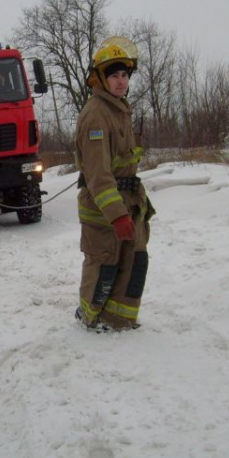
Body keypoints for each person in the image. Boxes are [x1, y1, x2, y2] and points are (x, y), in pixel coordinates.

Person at [74, 37, 155, 332]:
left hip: (129, 201)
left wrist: (128, 210)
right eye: (114, 76)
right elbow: (98, 174)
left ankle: (119, 319)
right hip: (104, 207)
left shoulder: (119, 108)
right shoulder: (97, 113)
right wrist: (117, 214)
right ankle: (90, 317)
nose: (121, 82)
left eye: (125, 76)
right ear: (101, 79)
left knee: (134, 261)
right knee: (104, 263)